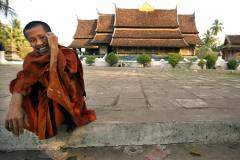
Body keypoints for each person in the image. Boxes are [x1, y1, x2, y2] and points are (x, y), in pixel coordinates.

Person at [5, 21, 96, 140]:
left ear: (51, 36)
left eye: (42, 37)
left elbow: (59, 79)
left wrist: (54, 48)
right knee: (24, 84)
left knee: (49, 82)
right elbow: (24, 79)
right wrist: (15, 106)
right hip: (46, 99)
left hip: (67, 102)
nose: (38, 43)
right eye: (32, 40)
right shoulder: (31, 59)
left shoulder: (68, 54)